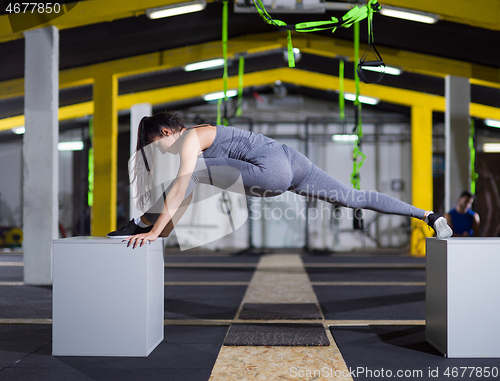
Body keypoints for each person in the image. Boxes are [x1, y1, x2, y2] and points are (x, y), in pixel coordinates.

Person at [107, 112, 453, 248]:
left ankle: (140, 223)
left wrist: (154, 230)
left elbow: (184, 185)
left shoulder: (191, 139)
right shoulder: (196, 141)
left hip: (271, 169)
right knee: (354, 197)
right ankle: (429, 216)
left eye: (158, 145)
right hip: (291, 161)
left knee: (188, 178)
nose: (162, 152)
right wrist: (163, 228)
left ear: (168, 131)